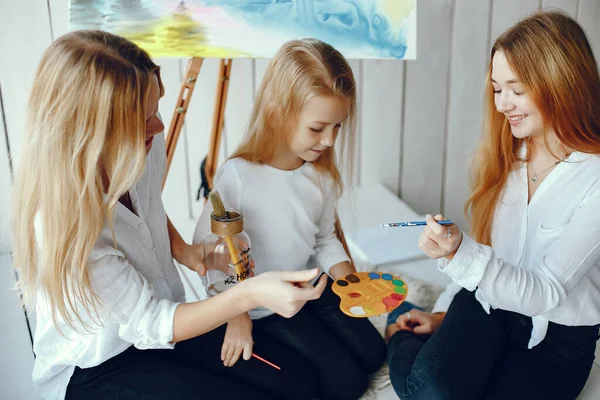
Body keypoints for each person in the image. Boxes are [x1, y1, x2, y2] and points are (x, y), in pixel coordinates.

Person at [10, 30, 329, 400]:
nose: (159, 127)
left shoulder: (143, 141)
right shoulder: (59, 224)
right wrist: (247, 295)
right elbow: (152, 322)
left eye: (156, 109)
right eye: (143, 120)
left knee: (297, 382)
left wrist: (184, 251)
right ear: (92, 133)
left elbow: (148, 210)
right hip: (98, 365)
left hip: (166, 320)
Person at [385, 11, 600, 400]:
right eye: (497, 88)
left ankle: (398, 332)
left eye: (516, 89)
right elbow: (487, 254)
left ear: (560, 83)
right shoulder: (509, 155)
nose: (502, 104)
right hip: (488, 310)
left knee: (429, 392)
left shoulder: (595, 178)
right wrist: (443, 315)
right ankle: (406, 332)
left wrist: (460, 252)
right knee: (435, 391)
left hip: (559, 342)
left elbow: (547, 290)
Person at [193, 38, 386, 400]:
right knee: (345, 383)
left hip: (308, 291)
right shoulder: (239, 175)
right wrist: (238, 315)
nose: (329, 140)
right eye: (318, 128)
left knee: (374, 353)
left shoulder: (321, 177)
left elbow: (323, 239)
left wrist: (349, 282)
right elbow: (212, 255)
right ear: (280, 112)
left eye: (337, 127)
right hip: (262, 307)